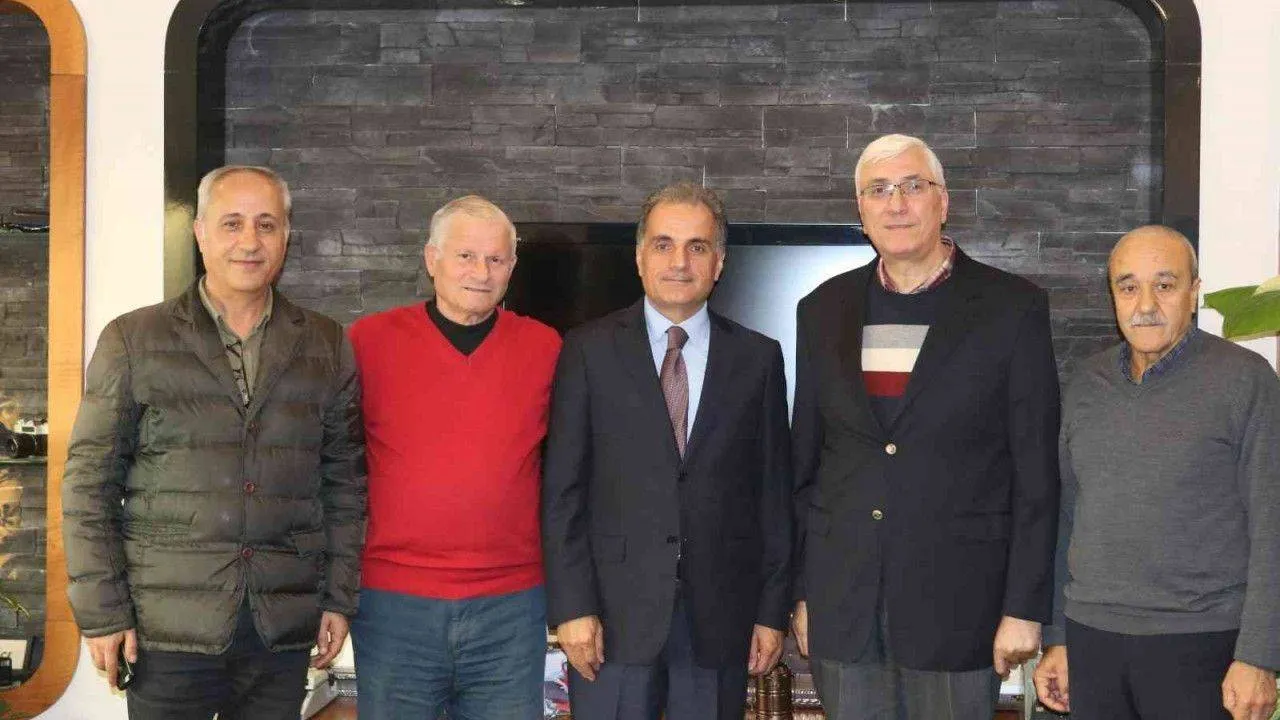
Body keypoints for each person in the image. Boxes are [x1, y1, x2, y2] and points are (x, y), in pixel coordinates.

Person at [62, 165, 366, 720]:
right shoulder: (134, 339)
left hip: (279, 627)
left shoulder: (326, 343)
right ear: (200, 233)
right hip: (166, 632)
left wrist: (338, 598)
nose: (250, 241)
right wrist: (104, 613)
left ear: (286, 236)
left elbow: (344, 486)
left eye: (266, 224)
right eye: (232, 223)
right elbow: (89, 486)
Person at [790, 134, 1061, 719]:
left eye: (913, 186)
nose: (896, 204)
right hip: (845, 606)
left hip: (960, 609)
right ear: (860, 210)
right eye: (878, 190)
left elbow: (1037, 474)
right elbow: (807, 465)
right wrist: (803, 592)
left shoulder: (1012, 307)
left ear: (944, 201)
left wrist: (1024, 607)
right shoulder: (821, 309)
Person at [541, 182, 792, 720]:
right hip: (610, 622)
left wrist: (771, 612)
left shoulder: (759, 359)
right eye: (663, 244)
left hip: (720, 621)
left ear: (719, 263)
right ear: (639, 257)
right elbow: (562, 491)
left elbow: (774, 496)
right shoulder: (587, 350)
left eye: (697, 247)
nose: (680, 262)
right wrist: (572, 606)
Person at [1034, 225, 1280, 720]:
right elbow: (1067, 517)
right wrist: (1057, 637)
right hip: (1092, 640)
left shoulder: (1245, 380)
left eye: (1164, 285)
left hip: (1202, 644)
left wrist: (1259, 655)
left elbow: (1273, 522)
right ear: (1113, 296)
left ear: (1194, 292)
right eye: (1128, 287)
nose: (1145, 304)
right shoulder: (1086, 383)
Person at [347, 195, 562, 719]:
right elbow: (334, 466)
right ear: (432, 259)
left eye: (495, 259)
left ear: (512, 267)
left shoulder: (546, 347)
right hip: (394, 604)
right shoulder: (367, 342)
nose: (481, 273)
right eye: (466, 256)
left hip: (511, 607)